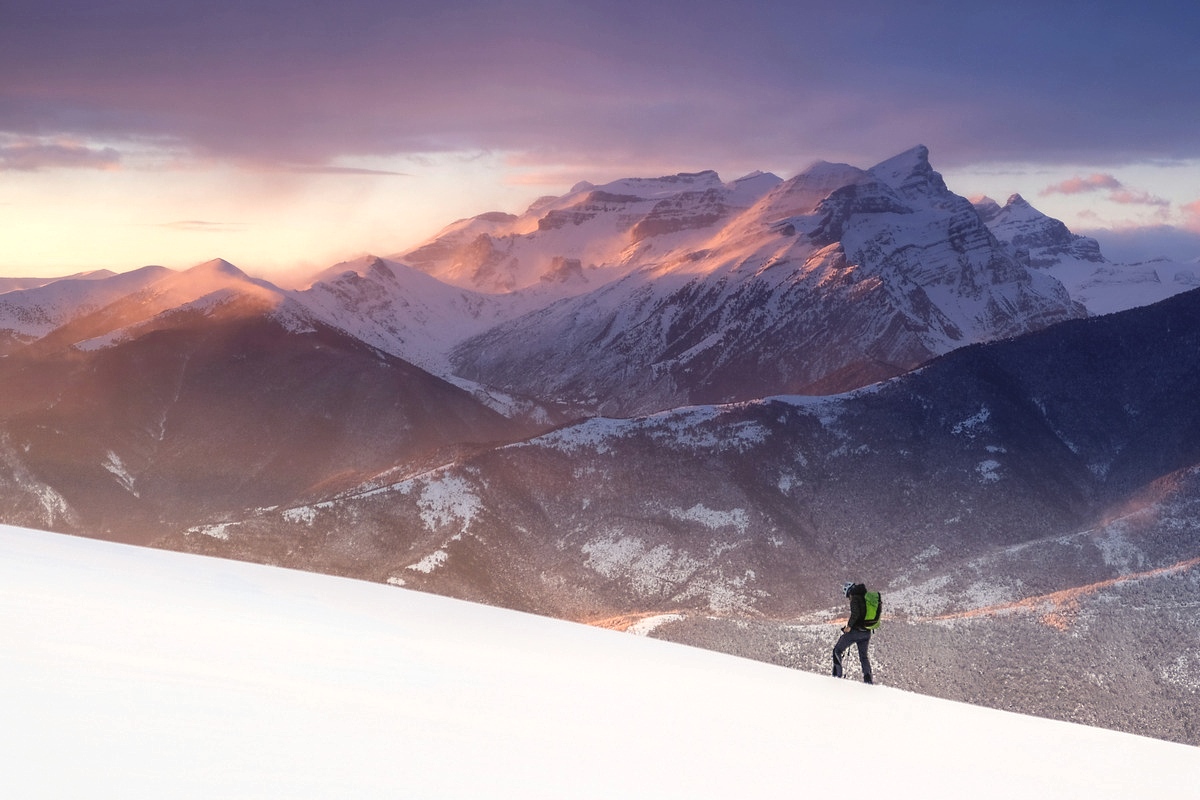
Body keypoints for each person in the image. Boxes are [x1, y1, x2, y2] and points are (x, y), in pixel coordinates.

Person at [832, 581, 874, 684]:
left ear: (849, 592)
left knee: (837, 650)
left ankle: (836, 677)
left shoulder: (855, 598)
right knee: (863, 657)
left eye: (848, 596)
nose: (848, 598)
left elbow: (855, 614)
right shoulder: (865, 598)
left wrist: (848, 627)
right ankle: (868, 680)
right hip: (867, 632)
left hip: (856, 632)